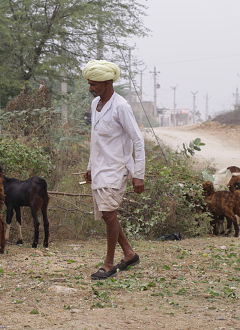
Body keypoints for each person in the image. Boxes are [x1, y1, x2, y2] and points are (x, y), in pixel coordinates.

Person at [82, 60, 145, 280]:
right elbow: (95, 139)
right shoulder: (95, 105)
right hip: (99, 169)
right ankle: (129, 254)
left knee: (109, 214)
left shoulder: (121, 106)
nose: (91, 89)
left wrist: (139, 175)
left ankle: (108, 264)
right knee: (108, 215)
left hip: (116, 169)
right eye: (89, 84)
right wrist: (90, 166)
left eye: (94, 84)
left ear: (108, 82)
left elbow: (138, 141)